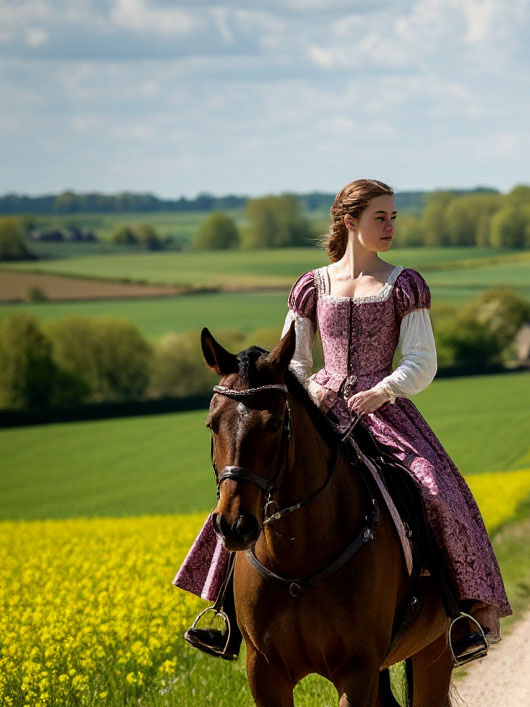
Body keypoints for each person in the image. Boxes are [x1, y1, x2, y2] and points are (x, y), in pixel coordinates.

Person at [175, 178, 511, 663]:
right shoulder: (312, 286)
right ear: (350, 222)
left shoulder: (405, 285)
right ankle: (227, 613)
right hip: (319, 407)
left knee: (436, 490)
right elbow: (291, 360)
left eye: (394, 217)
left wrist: (384, 390)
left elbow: (422, 360)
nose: (391, 226)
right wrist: (308, 390)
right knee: (246, 485)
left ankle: (461, 615)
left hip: (382, 409)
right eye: (381, 217)